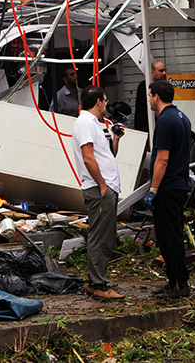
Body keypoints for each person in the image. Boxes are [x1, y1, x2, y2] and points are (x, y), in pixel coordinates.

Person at [72, 85, 124, 300]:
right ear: (98, 102)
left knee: (105, 235)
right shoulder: (85, 122)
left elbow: (106, 155)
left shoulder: (95, 124)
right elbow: (88, 157)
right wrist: (102, 184)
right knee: (100, 237)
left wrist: (115, 139)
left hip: (106, 186)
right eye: (105, 99)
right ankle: (98, 284)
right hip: (98, 188)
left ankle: (97, 281)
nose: (107, 103)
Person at [144, 79, 193, 299]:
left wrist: (153, 189)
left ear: (156, 96)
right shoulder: (182, 117)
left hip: (168, 186)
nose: (149, 100)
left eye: (150, 95)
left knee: (169, 237)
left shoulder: (164, 121)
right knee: (171, 235)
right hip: (180, 182)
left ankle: (181, 284)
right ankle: (173, 281)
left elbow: (162, 159)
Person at [134, 60, 167, 133]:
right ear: (152, 72)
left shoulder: (162, 86)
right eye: (161, 71)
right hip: (146, 128)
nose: (164, 73)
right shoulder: (144, 86)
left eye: (165, 70)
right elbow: (153, 107)